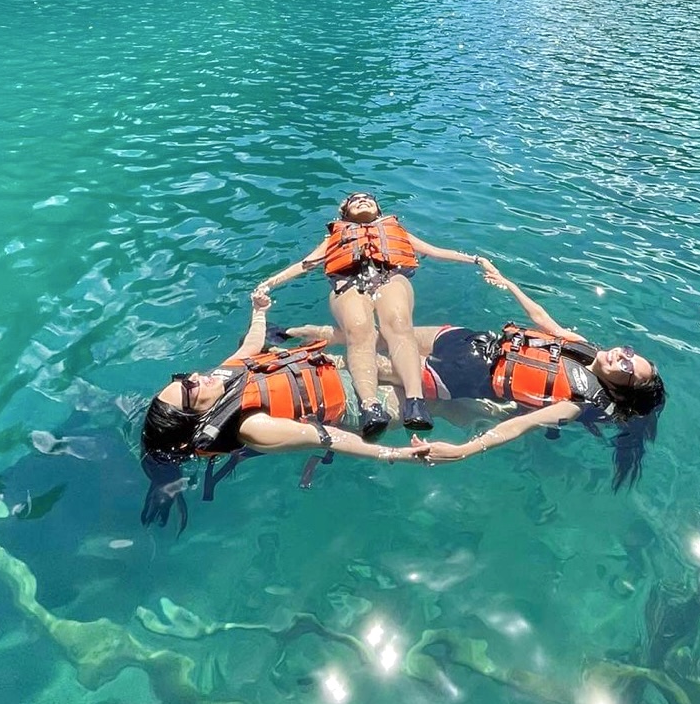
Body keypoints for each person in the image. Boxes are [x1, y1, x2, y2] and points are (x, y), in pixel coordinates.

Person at [284, 267, 666, 490]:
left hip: (459, 375)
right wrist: (508, 282)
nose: (623, 357)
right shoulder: (585, 348)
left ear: (621, 387)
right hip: (465, 339)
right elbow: (543, 321)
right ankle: (296, 335)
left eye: (629, 370)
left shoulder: (576, 401)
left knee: (361, 364)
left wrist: (464, 451)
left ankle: (289, 367)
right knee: (380, 337)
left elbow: (521, 425)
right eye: (631, 354)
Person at [140, 289, 430, 531]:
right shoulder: (251, 426)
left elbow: (251, 347)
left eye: (183, 379)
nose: (193, 377)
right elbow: (327, 437)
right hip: (356, 405)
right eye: (189, 389)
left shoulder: (220, 379)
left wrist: (259, 312)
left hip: (333, 369)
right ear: (198, 415)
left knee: (421, 365)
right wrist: (396, 454)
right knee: (438, 392)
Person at [254, 192, 493, 438]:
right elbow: (306, 263)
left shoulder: (395, 230)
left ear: (378, 209)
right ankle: (370, 406)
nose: (361, 200)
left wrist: (476, 260)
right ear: (344, 214)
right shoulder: (334, 238)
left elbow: (434, 251)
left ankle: (415, 402)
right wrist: (270, 282)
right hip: (348, 282)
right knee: (359, 332)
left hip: (390, 276)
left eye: (367, 198)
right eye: (354, 200)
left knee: (399, 325)